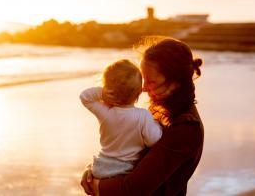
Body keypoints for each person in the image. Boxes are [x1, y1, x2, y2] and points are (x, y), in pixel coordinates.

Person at [81, 36, 204, 196]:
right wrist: (93, 169)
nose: (143, 89)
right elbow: (128, 155)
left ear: (175, 81)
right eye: (143, 80)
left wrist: (97, 185)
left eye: (151, 82)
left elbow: (133, 189)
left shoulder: (186, 127)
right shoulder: (159, 111)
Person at [80, 59, 162, 179]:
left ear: (108, 88)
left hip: (101, 167)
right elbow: (154, 140)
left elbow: (85, 97)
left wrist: (102, 94)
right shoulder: (143, 116)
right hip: (125, 169)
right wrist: (157, 124)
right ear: (139, 92)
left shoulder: (105, 112)